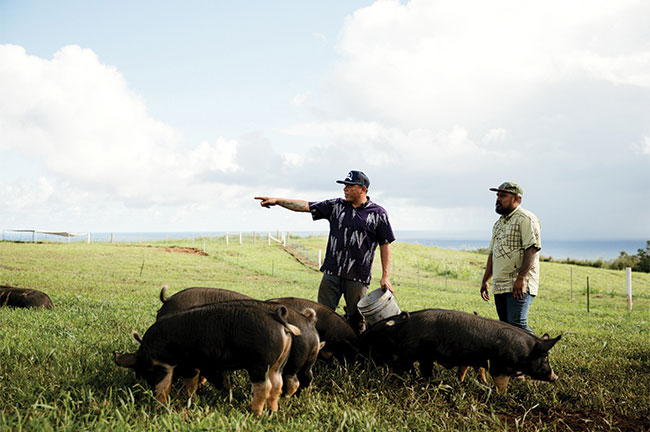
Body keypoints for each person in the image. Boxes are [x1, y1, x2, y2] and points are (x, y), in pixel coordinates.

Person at [255, 170, 395, 333]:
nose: (345, 189)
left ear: (363, 189)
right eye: (344, 186)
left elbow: (385, 244)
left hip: (358, 276)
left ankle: (354, 354)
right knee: (321, 314)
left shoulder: (378, 214)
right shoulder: (336, 206)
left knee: (356, 319)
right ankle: (321, 351)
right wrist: (278, 201)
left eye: (349, 186)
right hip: (332, 272)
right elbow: (306, 206)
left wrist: (385, 276)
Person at [480, 182, 541, 334]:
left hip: (519, 283)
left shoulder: (526, 219)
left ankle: (538, 355)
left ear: (516, 199)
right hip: (500, 284)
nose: (498, 199)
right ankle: (511, 359)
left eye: (503, 196)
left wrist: (521, 278)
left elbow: (531, 249)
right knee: (505, 327)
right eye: (498, 196)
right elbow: (493, 254)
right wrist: (485, 280)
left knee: (517, 324)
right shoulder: (498, 224)